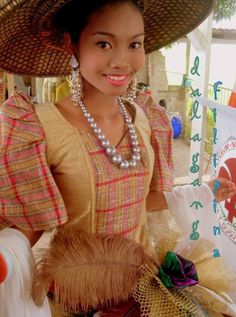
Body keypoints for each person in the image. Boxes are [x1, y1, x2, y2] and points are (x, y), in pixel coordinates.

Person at [0, 0, 236, 316]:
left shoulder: (144, 118)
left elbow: (140, 200)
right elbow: (31, 224)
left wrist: (205, 189)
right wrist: (6, 253)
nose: (122, 60)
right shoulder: (39, 128)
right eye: (103, 43)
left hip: (141, 292)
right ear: (72, 43)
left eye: (134, 44)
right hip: (77, 301)